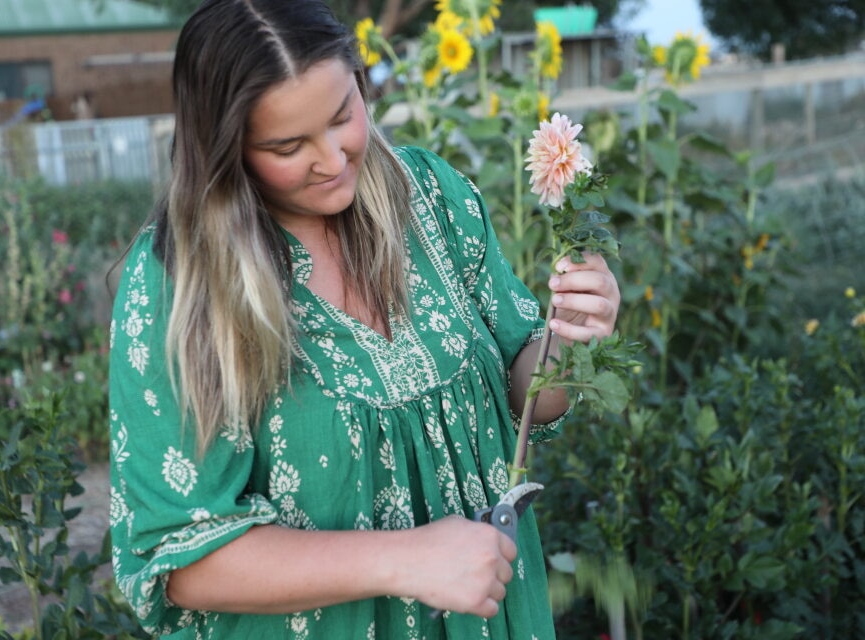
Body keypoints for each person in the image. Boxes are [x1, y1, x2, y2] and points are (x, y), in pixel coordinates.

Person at [107, 0, 621, 638]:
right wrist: (405, 560)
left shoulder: (430, 198)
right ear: (225, 148)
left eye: (342, 116)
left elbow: (525, 402)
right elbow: (183, 559)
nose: (332, 159)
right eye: (288, 145)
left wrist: (570, 334)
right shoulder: (180, 279)